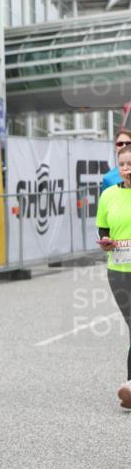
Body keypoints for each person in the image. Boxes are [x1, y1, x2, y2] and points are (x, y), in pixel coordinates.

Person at [95, 143, 131, 409]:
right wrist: (106, 242)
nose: (127, 169)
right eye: (123, 165)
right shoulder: (108, 195)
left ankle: (130, 384)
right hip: (119, 272)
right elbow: (103, 230)